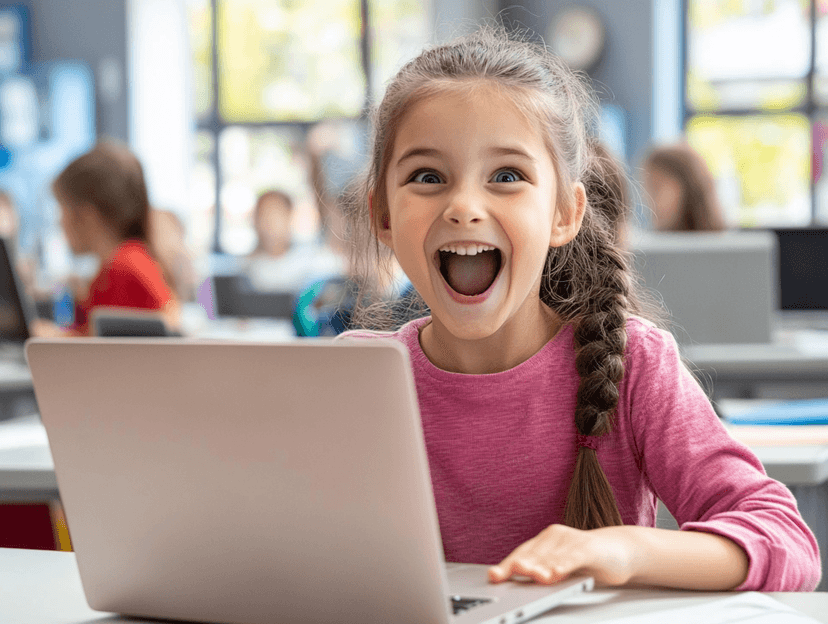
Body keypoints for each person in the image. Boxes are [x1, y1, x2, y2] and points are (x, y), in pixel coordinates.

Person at [336, 27, 820, 591]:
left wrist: (627, 548)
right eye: (428, 177)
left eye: (507, 176)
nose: (464, 206)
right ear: (383, 215)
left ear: (564, 213)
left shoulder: (635, 363)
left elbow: (787, 541)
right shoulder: (355, 378)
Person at [31, 142, 178, 337]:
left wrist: (50, 336)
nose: (59, 222)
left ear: (86, 216)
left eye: (63, 209)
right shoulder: (129, 258)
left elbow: (99, 347)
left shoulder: (123, 266)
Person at [643, 142, 727, 231]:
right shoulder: (653, 237)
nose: (648, 199)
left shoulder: (727, 238)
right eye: (647, 189)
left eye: (656, 187)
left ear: (687, 186)